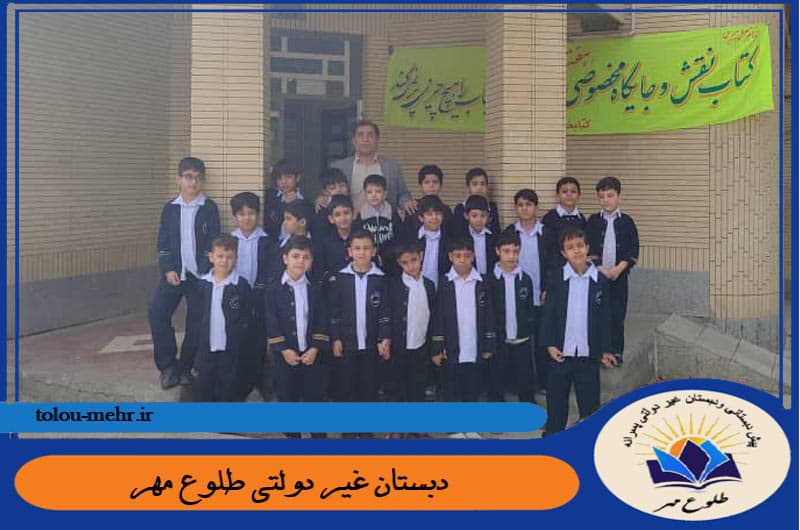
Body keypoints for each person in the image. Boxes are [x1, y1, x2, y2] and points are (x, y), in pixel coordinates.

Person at [148, 156, 220, 390]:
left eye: (198, 178)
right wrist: (168, 269)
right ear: (179, 179)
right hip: (174, 274)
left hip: (199, 276)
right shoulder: (170, 208)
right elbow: (163, 243)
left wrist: (204, 269)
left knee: (197, 320)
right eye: (189, 177)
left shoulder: (209, 208)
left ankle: (187, 367)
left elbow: (213, 242)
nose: (193, 183)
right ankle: (168, 367)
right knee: (157, 311)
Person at [539, 226, 618, 435]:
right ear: (563, 253)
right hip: (560, 353)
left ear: (587, 248)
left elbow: (605, 317)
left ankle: (586, 443)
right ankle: (553, 440)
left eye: (580, 245)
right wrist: (549, 344)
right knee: (556, 404)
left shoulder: (599, 280)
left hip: (587, 355)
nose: (576, 250)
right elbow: (548, 314)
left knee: (590, 407)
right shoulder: (557, 277)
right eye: (570, 247)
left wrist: (605, 349)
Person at [265, 236, 329, 438]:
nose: (300, 261)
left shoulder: (316, 288)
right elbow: (271, 321)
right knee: (287, 397)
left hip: (312, 355)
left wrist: (315, 348)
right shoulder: (273, 289)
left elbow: (322, 319)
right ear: (285, 258)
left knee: (314, 398)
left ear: (311, 261)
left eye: (306, 257)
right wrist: (283, 349)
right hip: (286, 356)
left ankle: (318, 439)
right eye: (295, 256)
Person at [328, 230, 392, 413]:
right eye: (357, 248)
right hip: (347, 344)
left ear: (374, 251)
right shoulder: (340, 278)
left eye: (366, 248)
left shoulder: (381, 278)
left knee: (369, 387)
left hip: (372, 345)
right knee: (346, 387)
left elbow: (385, 311)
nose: (362, 252)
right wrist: (336, 338)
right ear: (349, 251)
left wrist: (385, 338)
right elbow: (334, 311)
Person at [432, 237, 496, 406]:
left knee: (471, 390)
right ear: (450, 257)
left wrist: (489, 343)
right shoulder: (445, 283)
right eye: (458, 256)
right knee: (451, 391)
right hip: (451, 348)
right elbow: (438, 317)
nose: (462, 260)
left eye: (467, 256)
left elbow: (489, 314)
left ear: (473, 256)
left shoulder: (482, 282)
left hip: (474, 346)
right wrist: (437, 347)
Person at [585, 176, 640, 366]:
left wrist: (619, 268)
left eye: (610, 195)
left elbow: (633, 249)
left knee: (617, 314)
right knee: (598, 313)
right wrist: (599, 267)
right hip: (597, 276)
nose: (606, 200)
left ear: (619, 197)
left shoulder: (627, 222)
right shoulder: (593, 221)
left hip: (619, 276)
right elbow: (588, 247)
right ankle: (600, 351)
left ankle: (616, 351)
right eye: (601, 197)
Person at [229, 192, 276, 401]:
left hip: (260, 298)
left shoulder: (267, 241)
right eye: (241, 214)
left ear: (258, 214)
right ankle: (240, 386)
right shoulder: (230, 241)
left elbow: (270, 271)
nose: (247, 218)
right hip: (236, 299)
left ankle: (263, 382)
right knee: (238, 342)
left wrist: (260, 289)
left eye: (251, 213)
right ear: (235, 216)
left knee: (259, 342)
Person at [194, 234, 253, 402]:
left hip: (231, 346)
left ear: (236, 259)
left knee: (229, 383)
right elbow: (196, 316)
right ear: (211, 257)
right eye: (220, 256)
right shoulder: (202, 285)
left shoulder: (241, 285)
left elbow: (246, 315)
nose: (224, 261)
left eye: (229, 257)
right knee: (205, 382)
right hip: (207, 345)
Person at [488, 230, 536, 403]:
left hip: (522, 339)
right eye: (506, 251)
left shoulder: (526, 280)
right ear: (497, 251)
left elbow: (529, 309)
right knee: (496, 380)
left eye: (515, 251)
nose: (511, 256)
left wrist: (528, 330)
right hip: (499, 340)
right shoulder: (489, 280)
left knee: (525, 379)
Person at [327, 119, 414, 216]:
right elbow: (328, 193)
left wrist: (406, 201)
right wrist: (321, 199)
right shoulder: (340, 167)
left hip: (384, 221)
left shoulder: (391, 167)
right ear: (353, 141)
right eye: (360, 135)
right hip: (351, 222)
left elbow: (403, 194)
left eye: (370, 135)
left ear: (377, 140)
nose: (365, 139)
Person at [507, 188, 547, 391]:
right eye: (520, 205)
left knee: (541, 340)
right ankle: (516, 383)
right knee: (518, 341)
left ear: (536, 207)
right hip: (515, 296)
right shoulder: (510, 232)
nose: (524, 209)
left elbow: (553, 263)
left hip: (541, 294)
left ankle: (542, 381)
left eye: (529, 204)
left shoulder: (546, 232)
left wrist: (548, 288)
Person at [541, 176, 586, 291]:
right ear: (557, 196)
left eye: (573, 191)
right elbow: (545, 251)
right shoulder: (549, 219)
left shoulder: (582, 220)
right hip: (555, 272)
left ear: (579, 196)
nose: (569, 194)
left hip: (578, 272)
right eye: (565, 191)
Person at [352, 174, 401, 275]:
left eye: (378, 191)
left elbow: (400, 238)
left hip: (391, 262)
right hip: (368, 262)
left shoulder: (393, 215)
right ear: (364, 194)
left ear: (385, 194)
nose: (374, 195)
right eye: (369, 192)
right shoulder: (360, 217)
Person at [263, 159, 313, 239]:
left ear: (298, 178)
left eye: (288, 177)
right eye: (279, 178)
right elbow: (269, 226)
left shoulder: (307, 201)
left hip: (299, 244)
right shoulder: (270, 197)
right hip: (276, 244)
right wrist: (284, 205)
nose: (284, 182)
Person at [402, 164, 453, 239]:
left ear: (441, 185)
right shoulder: (413, 208)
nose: (431, 185)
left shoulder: (446, 210)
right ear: (420, 185)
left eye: (435, 182)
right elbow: (406, 236)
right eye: (427, 182)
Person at [312, 194, 354, 284]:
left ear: (353, 215)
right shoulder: (325, 242)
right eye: (337, 215)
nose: (343, 218)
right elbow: (320, 269)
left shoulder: (361, 238)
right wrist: (329, 277)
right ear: (331, 219)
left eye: (346, 213)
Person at [451, 167, 502, 237]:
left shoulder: (492, 207)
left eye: (483, 184)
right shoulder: (461, 208)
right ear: (468, 187)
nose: (479, 187)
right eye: (475, 184)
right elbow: (457, 233)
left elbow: (496, 232)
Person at [415, 195, 451, 289]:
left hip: (441, 289)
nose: (434, 217)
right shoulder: (413, 239)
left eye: (438, 213)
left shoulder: (448, 240)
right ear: (421, 218)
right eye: (429, 214)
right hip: (417, 288)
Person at [463, 194, 497, 276]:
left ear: (488, 216)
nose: (479, 220)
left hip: (489, 280)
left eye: (483, 216)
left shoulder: (493, 238)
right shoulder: (461, 237)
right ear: (466, 216)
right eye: (474, 216)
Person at [312, 167, 350, 237]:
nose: (338, 190)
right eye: (333, 188)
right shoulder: (323, 210)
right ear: (325, 191)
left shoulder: (351, 204)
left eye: (342, 185)